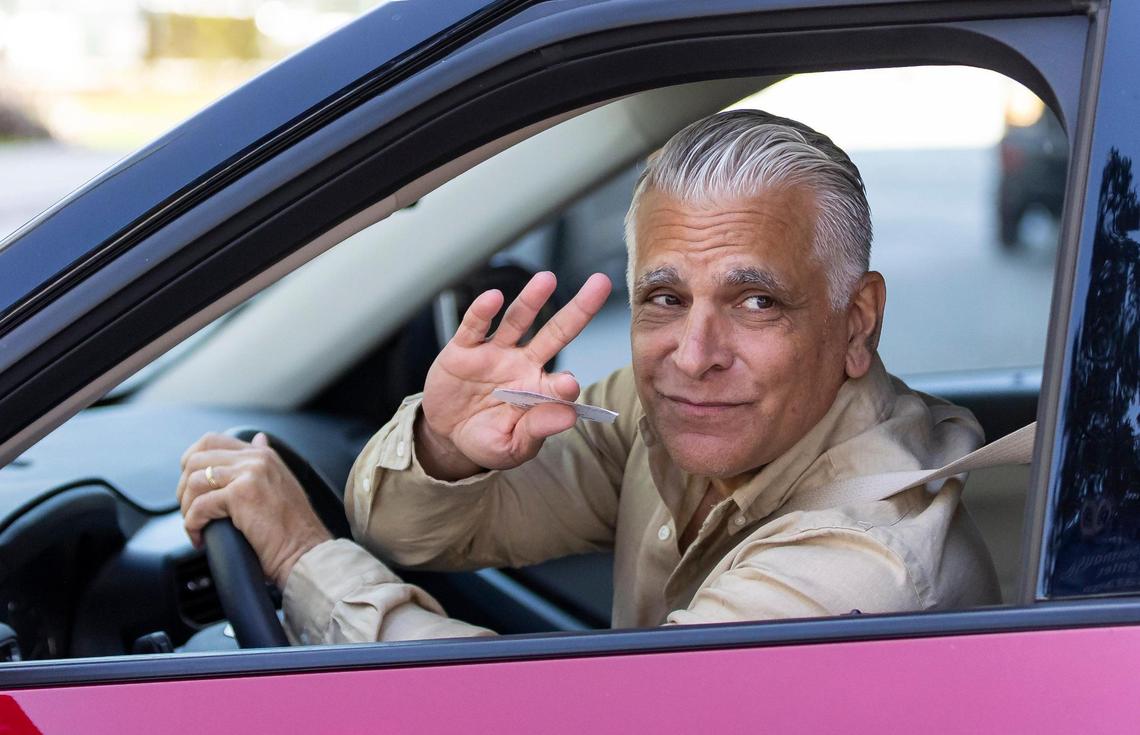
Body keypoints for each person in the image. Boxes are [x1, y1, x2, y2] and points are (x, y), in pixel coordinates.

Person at [177, 110, 1000, 644]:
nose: (693, 352)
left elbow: (563, 717)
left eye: (756, 301)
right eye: (665, 297)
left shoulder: (868, 565)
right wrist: (445, 446)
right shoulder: (667, 413)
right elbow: (405, 533)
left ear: (857, 321)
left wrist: (298, 554)